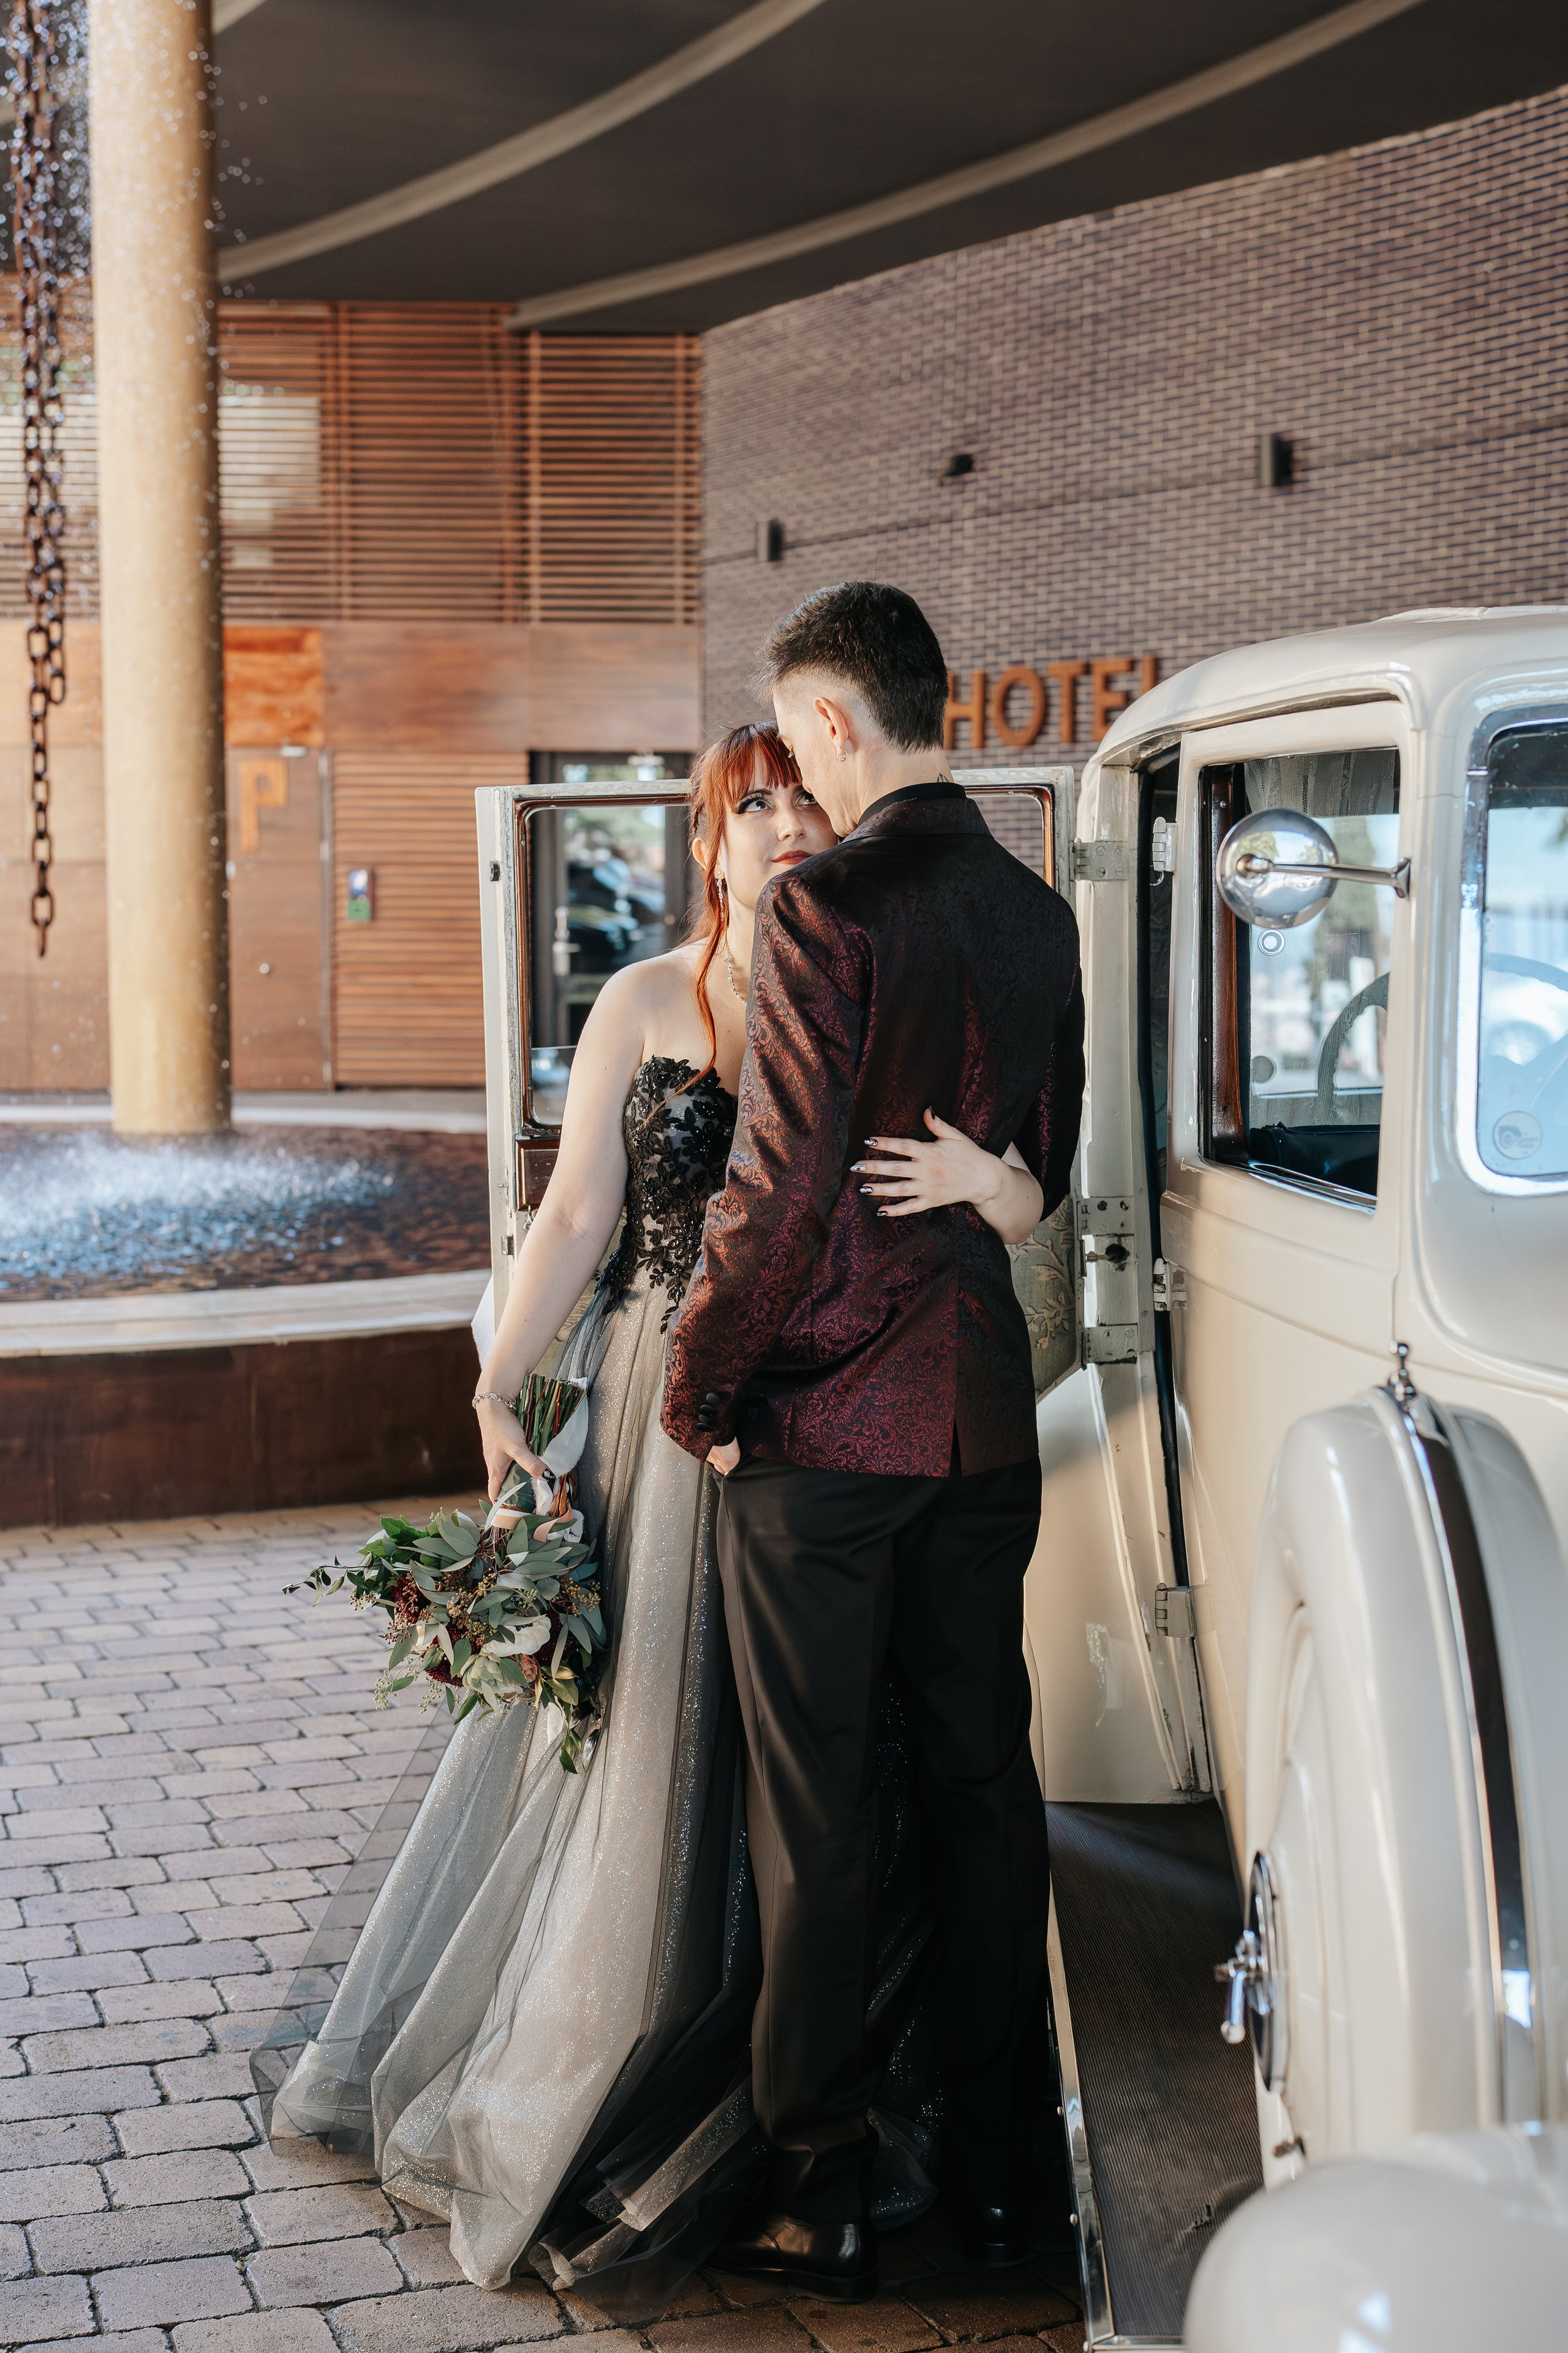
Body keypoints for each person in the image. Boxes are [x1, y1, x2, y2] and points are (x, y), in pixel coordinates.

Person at [255, 722, 1045, 2313]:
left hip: (821, 1423)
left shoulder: (873, 987)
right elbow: (578, 1215)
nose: (779, 824)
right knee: (658, 1748)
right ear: (708, 836)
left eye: (802, 797)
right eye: (748, 804)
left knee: (819, 1771)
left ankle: (820, 2091)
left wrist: (1002, 1190)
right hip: (658, 1400)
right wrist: (500, 1381)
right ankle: (644, 2045)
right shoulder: (643, 997)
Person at [662, 581, 1085, 2304]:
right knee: (987, 1797)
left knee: (818, 1814)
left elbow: (770, 1199)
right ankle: (1003, 2181)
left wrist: (698, 1391)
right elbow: (1037, 1171)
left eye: (804, 744)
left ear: (835, 722)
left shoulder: (824, 905)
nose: (805, 788)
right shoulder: (1039, 912)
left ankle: (822, 2183)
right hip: (982, 1419)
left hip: (828, 1433)